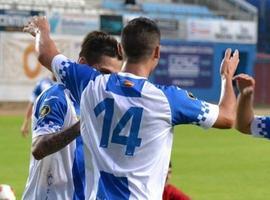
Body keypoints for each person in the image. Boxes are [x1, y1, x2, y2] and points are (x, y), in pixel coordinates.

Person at [24, 16, 239, 199]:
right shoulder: (168, 99)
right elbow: (228, 117)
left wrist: (42, 29)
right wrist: (226, 77)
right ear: (157, 52)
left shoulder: (92, 83)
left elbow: (45, 54)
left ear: (120, 48)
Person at [22, 30, 122, 199]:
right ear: (82, 64)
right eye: (104, 73)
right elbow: (39, 148)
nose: (106, 82)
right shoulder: (57, 97)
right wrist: (84, 124)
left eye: (113, 77)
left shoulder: (107, 104)